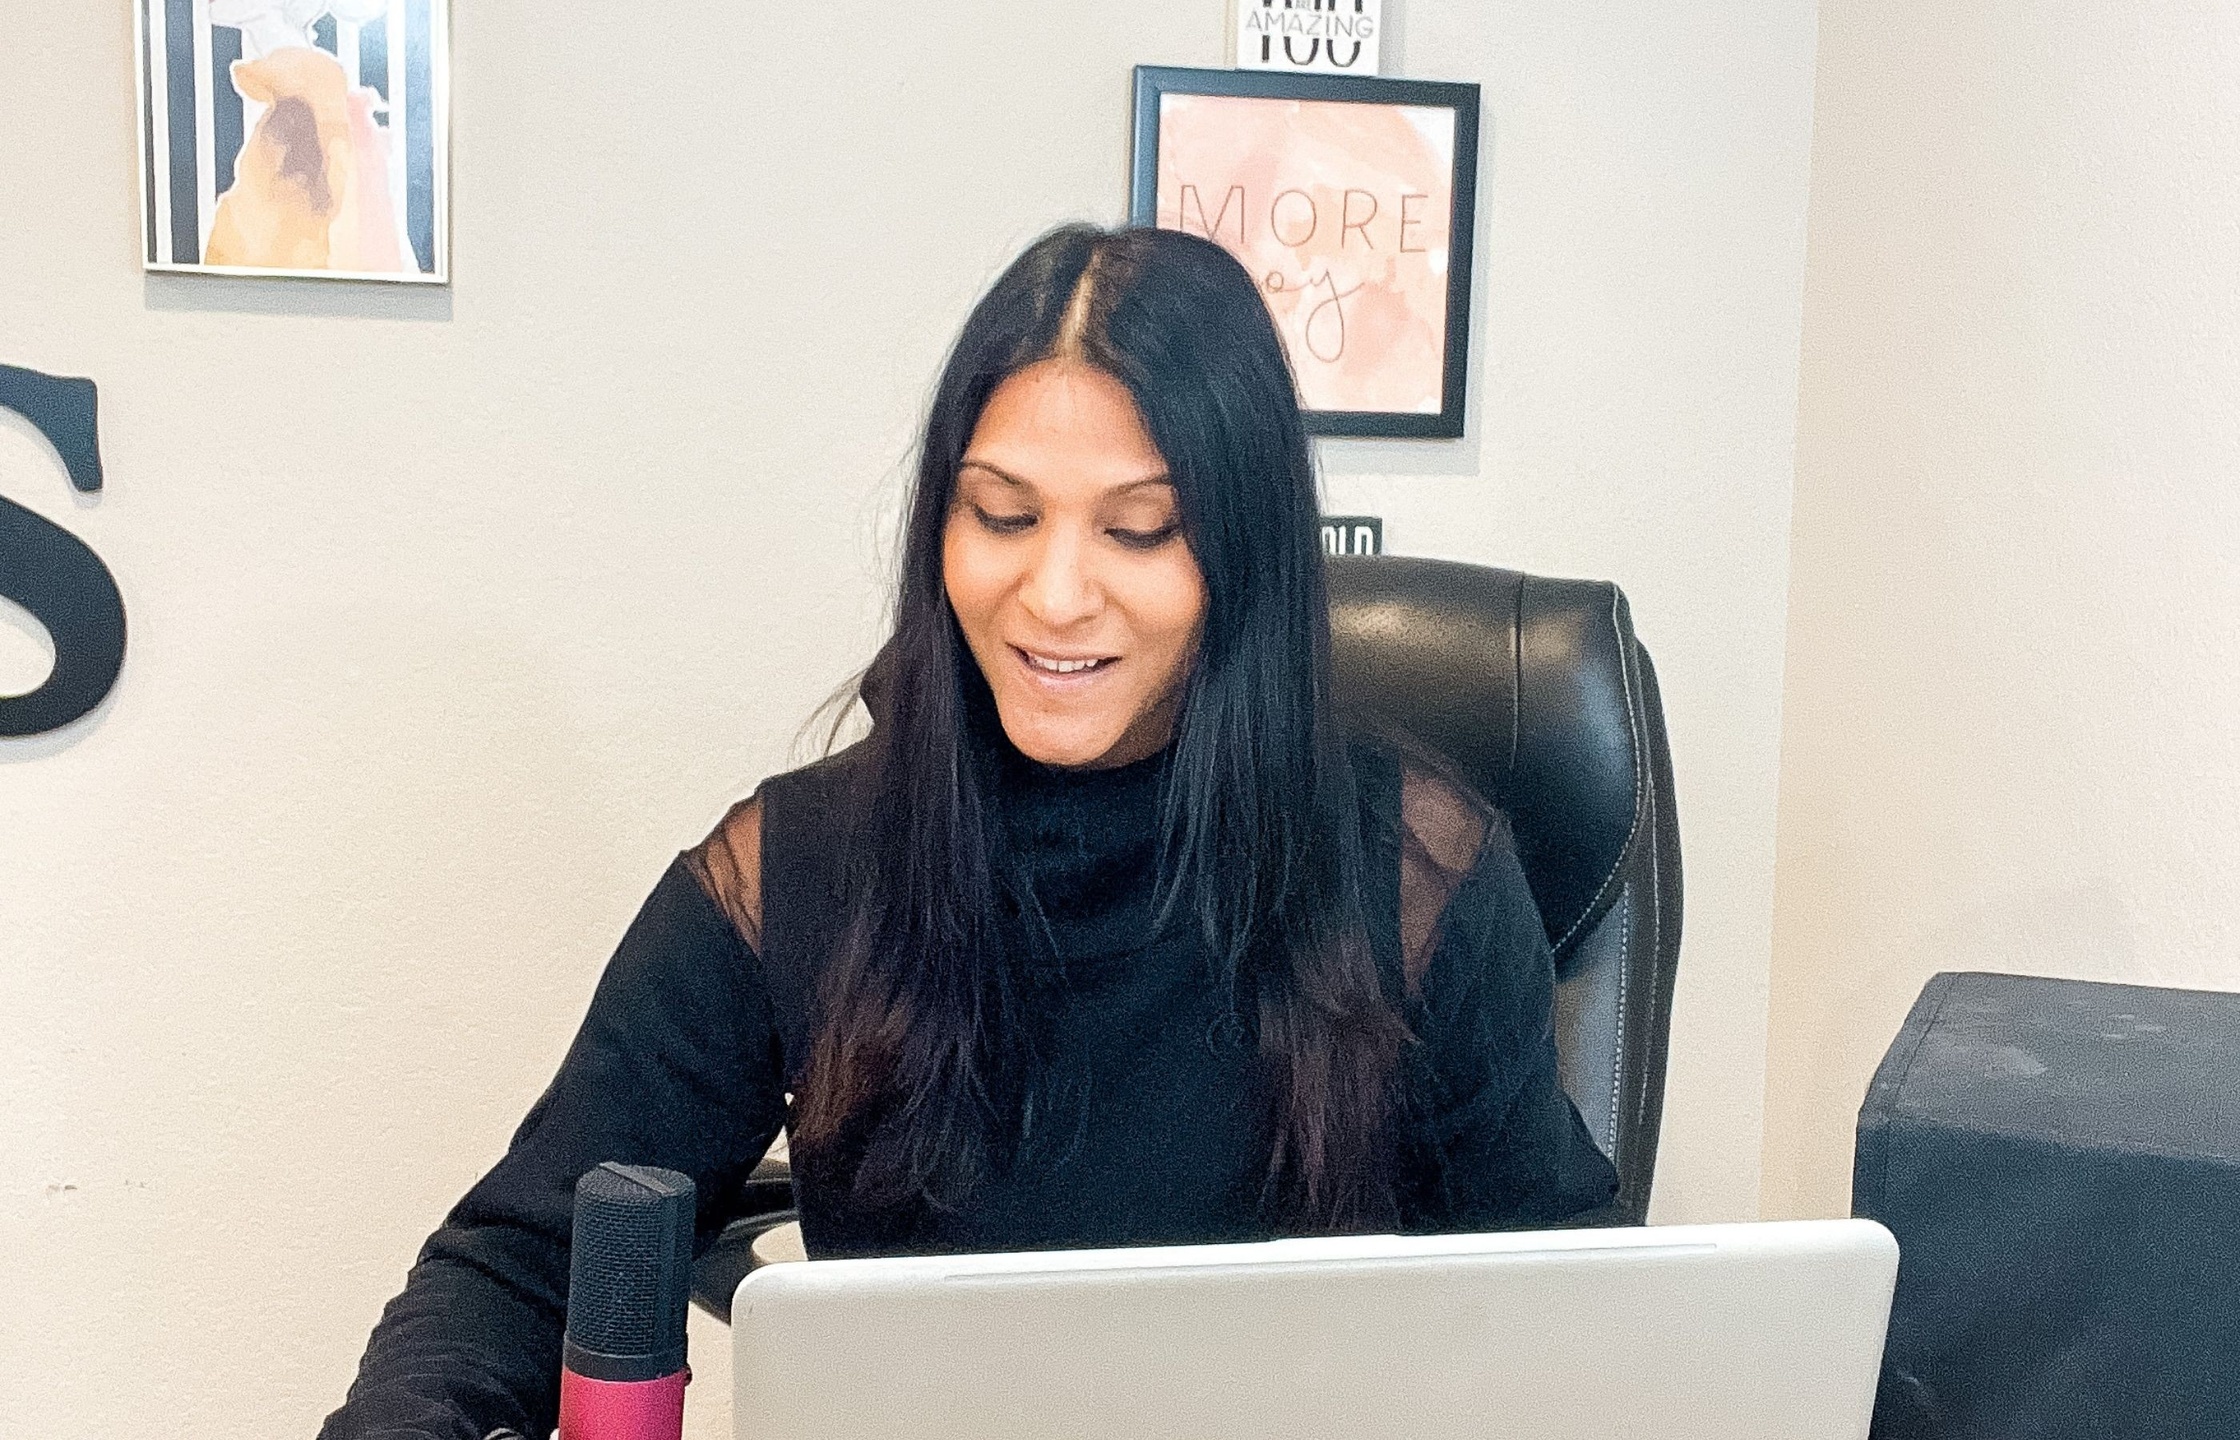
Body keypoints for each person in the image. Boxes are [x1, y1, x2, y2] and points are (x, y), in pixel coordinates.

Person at [320, 223, 1617, 1440]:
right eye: (1002, 515)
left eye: (1139, 530)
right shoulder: (803, 869)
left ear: (1246, 558)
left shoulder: (1415, 876)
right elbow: (518, 1260)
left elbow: (1572, 1322)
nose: (1054, 596)